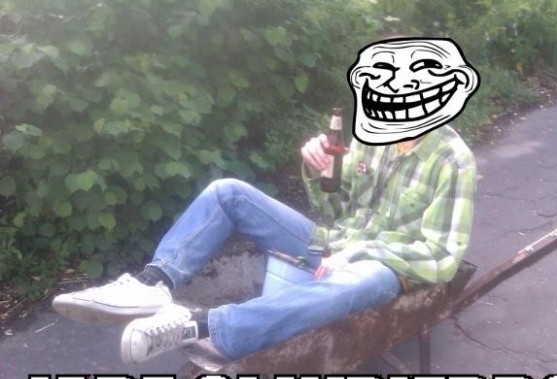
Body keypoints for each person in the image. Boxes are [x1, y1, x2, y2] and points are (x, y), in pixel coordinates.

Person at [53, 125, 476, 364]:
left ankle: (202, 325)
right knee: (228, 192)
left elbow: (441, 256)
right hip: (336, 241)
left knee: (353, 282)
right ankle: (152, 284)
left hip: (389, 267)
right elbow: (336, 208)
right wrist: (321, 171)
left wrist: (359, 254)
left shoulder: (452, 159)